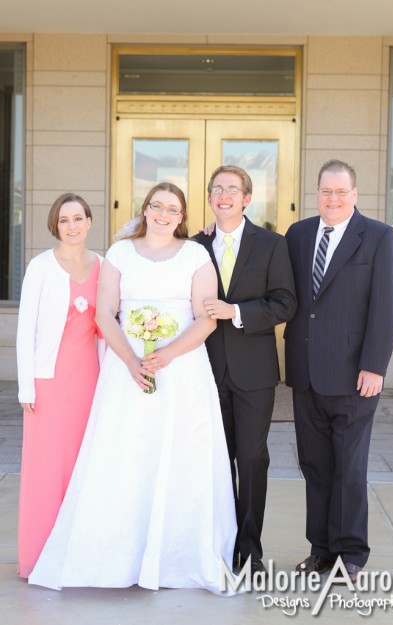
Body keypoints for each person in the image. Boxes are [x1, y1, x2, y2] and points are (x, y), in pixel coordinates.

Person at [28, 182, 237, 593]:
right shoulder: (120, 252)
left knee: (180, 458)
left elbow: (206, 318)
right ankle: (118, 555)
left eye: (172, 209)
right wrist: (130, 360)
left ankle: (175, 557)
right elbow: (106, 312)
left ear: (181, 217)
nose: (163, 213)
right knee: (124, 455)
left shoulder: (197, 255)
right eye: (156, 206)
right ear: (145, 210)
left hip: (181, 372)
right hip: (126, 370)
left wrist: (167, 355)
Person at [284, 159, 393, 583]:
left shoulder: (378, 237)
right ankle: (321, 550)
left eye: (340, 192)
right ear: (316, 193)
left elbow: (387, 308)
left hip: (355, 375)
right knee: (314, 465)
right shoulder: (298, 234)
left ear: (355, 194)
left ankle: (350, 553)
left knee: (349, 466)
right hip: (306, 373)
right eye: (325, 191)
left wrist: (375, 366)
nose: (332, 199)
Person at [194, 165, 297, 578]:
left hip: (254, 372)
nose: (224, 195)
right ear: (210, 198)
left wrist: (236, 311)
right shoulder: (195, 245)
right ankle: (215, 542)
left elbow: (285, 303)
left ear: (247, 198)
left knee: (252, 458)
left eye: (232, 189)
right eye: (217, 189)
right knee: (214, 460)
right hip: (203, 370)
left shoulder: (271, 244)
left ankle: (249, 550)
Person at [16, 193, 103, 578]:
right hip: (48, 382)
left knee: (83, 467)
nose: (72, 226)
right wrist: (26, 388)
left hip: (90, 380)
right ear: (56, 225)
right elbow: (24, 332)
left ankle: (78, 554)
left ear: (89, 221)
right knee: (46, 470)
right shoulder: (40, 267)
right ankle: (38, 556)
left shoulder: (104, 265)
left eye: (78, 218)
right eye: (64, 220)